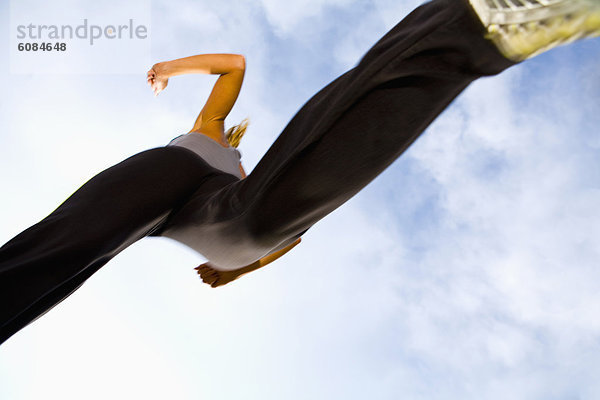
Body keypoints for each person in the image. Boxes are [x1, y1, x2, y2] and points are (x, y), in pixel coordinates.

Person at [1, 0, 598, 346]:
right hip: (168, 173)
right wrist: (172, 66)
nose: (240, 151)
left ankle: (474, 29)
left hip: (218, 216)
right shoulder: (207, 132)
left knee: (268, 218)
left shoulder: (242, 179)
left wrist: (245, 266)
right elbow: (233, 65)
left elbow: (293, 233)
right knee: (75, 246)